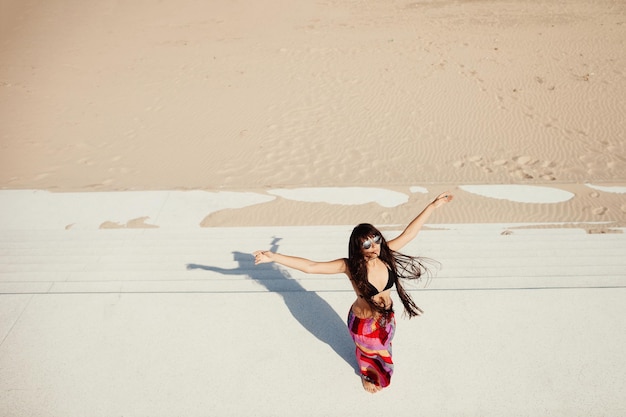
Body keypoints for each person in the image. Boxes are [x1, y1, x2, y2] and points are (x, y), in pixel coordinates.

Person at [253, 191, 453, 393]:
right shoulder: (349, 266)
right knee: (368, 354)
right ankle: (368, 375)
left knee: (384, 349)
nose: (374, 246)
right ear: (358, 249)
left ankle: (377, 368)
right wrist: (274, 257)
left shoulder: (385, 254)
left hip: (386, 318)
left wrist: (433, 206)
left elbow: (409, 233)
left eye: (376, 239)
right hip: (363, 324)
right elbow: (311, 266)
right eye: (367, 244)